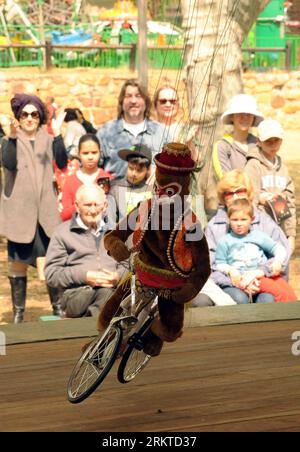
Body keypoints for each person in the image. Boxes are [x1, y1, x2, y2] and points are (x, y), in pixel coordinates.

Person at [99, 142, 211, 357]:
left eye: (169, 191)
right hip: (142, 275)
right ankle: (101, 347)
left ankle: (152, 333)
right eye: (159, 189)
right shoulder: (145, 208)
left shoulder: (190, 223)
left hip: (172, 286)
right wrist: (116, 245)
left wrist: (190, 289)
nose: (161, 196)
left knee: (170, 330)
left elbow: (203, 266)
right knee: (108, 315)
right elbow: (114, 235)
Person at [0, 93, 68, 323]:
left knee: (51, 260)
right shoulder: (10, 139)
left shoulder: (48, 139)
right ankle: (19, 313)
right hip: (21, 212)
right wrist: (10, 137)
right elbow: (9, 164)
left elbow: (62, 162)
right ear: (18, 117)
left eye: (34, 114)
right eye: (25, 114)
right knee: (18, 262)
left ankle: (57, 307)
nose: (29, 118)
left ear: (40, 117)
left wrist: (57, 133)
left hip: (46, 213)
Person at [205, 169, 291, 305]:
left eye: (239, 191)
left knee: (267, 300)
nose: (235, 197)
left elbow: (282, 252)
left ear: (248, 193)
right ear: (222, 197)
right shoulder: (214, 227)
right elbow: (210, 266)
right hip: (230, 283)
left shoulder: (263, 221)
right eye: (229, 193)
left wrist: (259, 274)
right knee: (240, 299)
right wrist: (238, 282)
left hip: (262, 280)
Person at [44, 185, 125, 318]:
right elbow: (51, 274)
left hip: (111, 290)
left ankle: (91, 323)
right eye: (87, 205)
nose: (93, 210)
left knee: (107, 294)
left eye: (96, 205)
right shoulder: (63, 232)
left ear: (105, 206)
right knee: (107, 298)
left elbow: (129, 264)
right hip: (76, 293)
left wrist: (117, 276)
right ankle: (96, 327)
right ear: (77, 206)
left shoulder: (116, 232)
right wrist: (84, 276)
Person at [215, 198, 297, 303]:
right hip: (239, 280)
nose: (239, 224)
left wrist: (278, 261)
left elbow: (279, 249)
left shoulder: (258, 236)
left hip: (259, 277)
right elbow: (219, 263)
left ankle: (288, 315)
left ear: (252, 219)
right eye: (235, 220)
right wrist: (231, 270)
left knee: (282, 291)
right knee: (242, 299)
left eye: (243, 219)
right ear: (229, 219)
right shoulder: (225, 241)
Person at [96, 79, 167, 181]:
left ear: (146, 101)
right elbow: (94, 167)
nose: (133, 101)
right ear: (122, 101)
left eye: (138, 96)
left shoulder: (161, 132)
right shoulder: (106, 132)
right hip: (115, 193)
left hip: (151, 194)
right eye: (128, 96)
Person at [245, 119, 296, 254]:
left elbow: (290, 204)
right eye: (268, 141)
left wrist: (291, 235)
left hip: (280, 232)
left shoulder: (283, 169)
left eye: (276, 140)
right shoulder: (253, 166)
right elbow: (249, 200)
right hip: (259, 231)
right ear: (259, 142)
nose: (273, 145)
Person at [60, 134, 113, 221]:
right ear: (78, 154)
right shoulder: (70, 181)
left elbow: (115, 213)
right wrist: (83, 203)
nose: (90, 157)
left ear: (100, 152)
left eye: (94, 152)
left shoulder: (108, 179)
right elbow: (64, 215)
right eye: (85, 153)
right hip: (76, 231)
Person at [212, 93, 264, 180]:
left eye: (248, 114)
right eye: (240, 114)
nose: (245, 118)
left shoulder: (260, 145)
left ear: (253, 118)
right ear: (232, 117)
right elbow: (226, 179)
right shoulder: (222, 146)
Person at [108, 144, 153, 223]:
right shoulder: (116, 189)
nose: (134, 173)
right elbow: (110, 222)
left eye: (139, 170)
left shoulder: (152, 191)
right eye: (131, 168)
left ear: (148, 170)